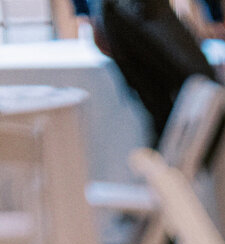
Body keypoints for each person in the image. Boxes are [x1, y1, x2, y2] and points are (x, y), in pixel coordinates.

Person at [88, 0, 218, 141]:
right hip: (139, 12)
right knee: (205, 94)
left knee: (164, 106)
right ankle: (172, 158)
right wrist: (218, 17)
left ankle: (169, 158)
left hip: (120, 14)